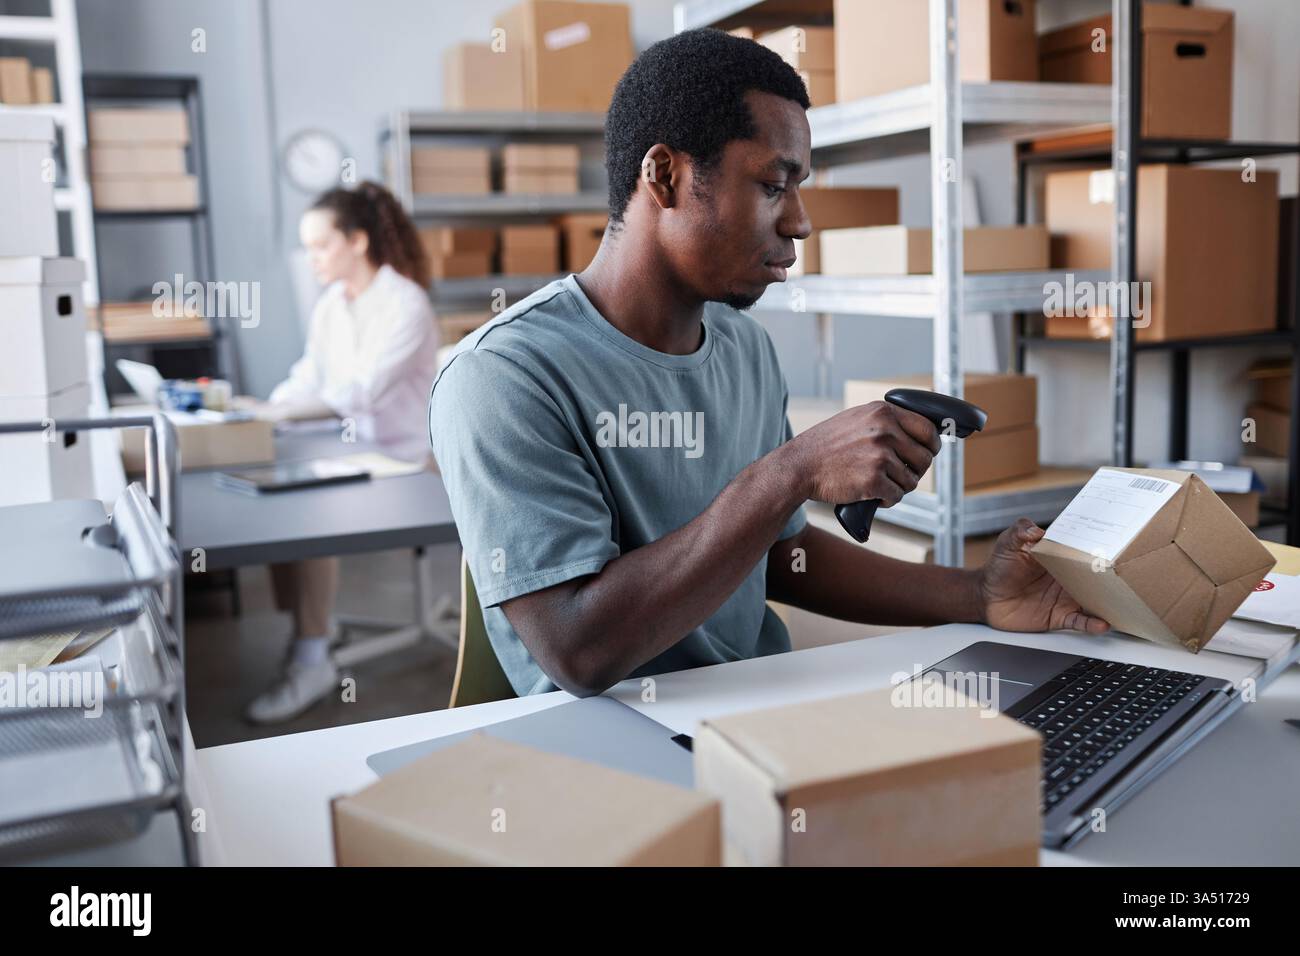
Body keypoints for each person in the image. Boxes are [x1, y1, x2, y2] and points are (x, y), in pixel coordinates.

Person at [429, 30, 1108, 699]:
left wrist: (976, 595)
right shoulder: (504, 377)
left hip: (761, 706)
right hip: (613, 752)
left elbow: (779, 556)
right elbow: (579, 651)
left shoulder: (743, 346)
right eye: (773, 185)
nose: (801, 222)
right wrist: (792, 471)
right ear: (665, 176)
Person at [243, 180, 440, 724]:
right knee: (279, 488)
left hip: (406, 464)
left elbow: (360, 390)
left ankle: (312, 661)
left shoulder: (406, 302)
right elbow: (310, 375)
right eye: (306, 249)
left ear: (357, 241)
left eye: (321, 246)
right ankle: (314, 627)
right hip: (355, 453)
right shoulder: (333, 304)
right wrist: (261, 408)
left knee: (308, 506)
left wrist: (282, 414)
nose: (312, 261)